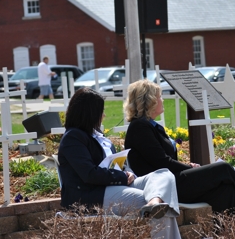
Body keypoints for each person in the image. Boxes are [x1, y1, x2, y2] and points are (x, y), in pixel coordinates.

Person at [123, 79, 235, 225]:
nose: (162, 100)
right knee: (223, 169)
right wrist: (188, 167)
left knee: (226, 192)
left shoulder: (151, 126)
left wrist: (188, 166)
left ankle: (229, 234)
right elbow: (161, 162)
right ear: (150, 101)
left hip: (175, 180)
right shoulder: (140, 127)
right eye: (159, 97)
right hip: (164, 186)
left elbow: (165, 159)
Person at [57, 87, 181, 239]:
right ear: (89, 113)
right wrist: (122, 176)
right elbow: (89, 174)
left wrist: (127, 172)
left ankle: (154, 201)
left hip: (114, 186)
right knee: (157, 203)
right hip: (92, 194)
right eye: (100, 111)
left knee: (164, 174)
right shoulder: (73, 138)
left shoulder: (98, 136)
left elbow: (114, 164)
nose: (103, 115)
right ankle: (154, 203)